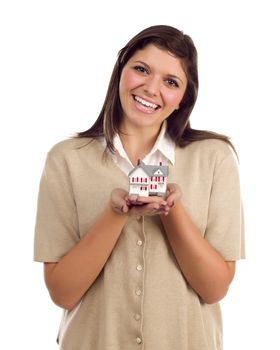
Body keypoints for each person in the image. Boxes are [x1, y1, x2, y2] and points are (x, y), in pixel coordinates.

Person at [34, 25, 245, 350]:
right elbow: (62, 293)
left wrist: (172, 212)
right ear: (121, 71)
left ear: (183, 99)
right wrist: (115, 214)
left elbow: (214, 289)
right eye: (141, 69)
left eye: (171, 82)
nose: (150, 88)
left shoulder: (215, 159)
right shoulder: (66, 160)